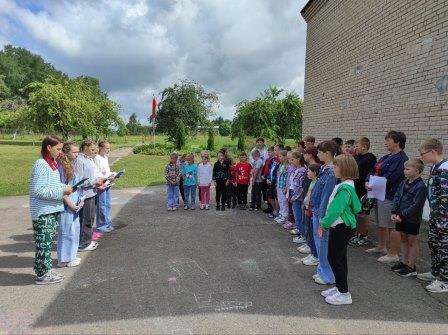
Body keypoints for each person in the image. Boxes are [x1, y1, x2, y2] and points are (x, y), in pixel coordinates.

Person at [29, 135, 73, 284]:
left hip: (51, 209)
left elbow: (53, 186)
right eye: (58, 149)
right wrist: (62, 192)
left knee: (47, 244)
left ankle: (46, 269)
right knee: (43, 244)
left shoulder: (52, 164)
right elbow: (38, 190)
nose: (60, 152)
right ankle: (42, 274)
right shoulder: (41, 164)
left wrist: (65, 188)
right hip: (43, 211)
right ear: (49, 148)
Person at [319, 154, 361, 305]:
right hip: (340, 227)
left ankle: (344, 293)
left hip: (341, 227)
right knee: (339, 258)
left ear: (344, 168)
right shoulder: (345, 184)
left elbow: (335, 211)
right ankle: (340, 287)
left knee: (335, 259)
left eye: (336, 166)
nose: (333, 169)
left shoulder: (345, 188)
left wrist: (323, 223)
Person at [365, 131, 408, 264]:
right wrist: (367, 181)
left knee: (391, 225)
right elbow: (373, 170)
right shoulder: (386, 157)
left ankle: (393, 253)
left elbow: (391, 177)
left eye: (388, 140)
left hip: (390, 195)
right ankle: (381, 247)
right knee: (381, 223)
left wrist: (372, 183)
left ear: (397, 142)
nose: (385, 143)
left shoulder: (402, 159)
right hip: (378, 193)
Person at [417, 139, 448, 293]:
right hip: (436, 217)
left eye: (423, 154)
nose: (421, 157)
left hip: (444, 219)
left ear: (433, 151)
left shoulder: (444, 169)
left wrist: (443, 221)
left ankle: (445, 281)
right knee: (435, 245)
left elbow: (445, 198)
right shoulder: (435, 167)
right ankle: (436, 273)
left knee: (444, 249)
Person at [390, 159, 427, 277]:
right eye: (404, 168)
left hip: (411, 219)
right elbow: (397, 197)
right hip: (400, 217)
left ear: (416, 171)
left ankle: (411, 266)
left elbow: (416, 205)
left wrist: (402, 215)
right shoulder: (403, 182)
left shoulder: (421, 186)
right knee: (403, 239)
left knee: (411, 241)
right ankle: (404, 262)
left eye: (407, 169)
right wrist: (395, 212)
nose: (404, 171)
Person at [311, 140, 339, 284]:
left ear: (327, 153)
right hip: (316, 211)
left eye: (320, 152)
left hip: (321, 214)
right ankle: (321, 270)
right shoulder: (324, 168)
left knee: (323, 245)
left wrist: (322, 217)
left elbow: (326, 197)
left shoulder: (331, 173)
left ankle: (328, 276)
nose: (317, 154)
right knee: (319, 243)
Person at [75, 139, 105, 252]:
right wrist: (94, 182)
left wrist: (98, 181)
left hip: (91, 192)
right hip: (85, 195)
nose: (94, 151)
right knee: (85, 219)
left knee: (90, 218)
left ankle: (87, 240)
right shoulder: (79, 160)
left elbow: (90, 176)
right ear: (85, 147)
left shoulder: (87, 159)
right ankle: (83, 243)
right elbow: (80, 180)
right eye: (92, 149)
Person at [56, 141, 82, 268]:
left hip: (75, 202)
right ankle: (64, 259)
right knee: (66, 231)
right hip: (67, 205)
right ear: (66, 152)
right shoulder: (61, 167)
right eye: (74, 152)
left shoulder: (72, 164)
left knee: (74, 230)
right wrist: (70, 203)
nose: (77, 154)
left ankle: (71, 255)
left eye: (77, 152)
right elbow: (61, 189)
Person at [349, 137, 377, 246]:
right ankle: (357, 233)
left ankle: (363, 235)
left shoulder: (369, 159)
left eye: (357, 146)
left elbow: (365, 174)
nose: (355, 148)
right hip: (355, 188)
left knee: (363, 214)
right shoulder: (358, 158)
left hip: (363, 190)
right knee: (358, 213)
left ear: (364, 147)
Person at [300, 163, 321, 265]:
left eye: (309, 171)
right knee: (310, 231)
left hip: (312, 211)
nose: (307, 173)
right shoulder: (312, 182)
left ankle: (316, 255)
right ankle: (313, 252)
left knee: (313, 234)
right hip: (308, 209)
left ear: (315, 173)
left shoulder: (317, 183)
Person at [94, 141, 115, 233]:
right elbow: (96, 173)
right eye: (107, 148)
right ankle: (101, 225)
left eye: (109, 148)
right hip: (101, 184)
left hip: (107, 183)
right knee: (101, 206)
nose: (108, 150)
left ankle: (108, 223)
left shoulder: (105, 157)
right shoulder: (97, 158)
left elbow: (106, 170)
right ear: (101, 148)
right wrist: (105, 177)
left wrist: (112, 175)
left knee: (108, 204)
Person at [289, 152, 307, 242]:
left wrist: (295, 197)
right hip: (294, 195)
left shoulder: (302, 171)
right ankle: (301, 233)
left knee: (299, 217)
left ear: (298, 159)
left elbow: (301, 187)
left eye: (293, 159)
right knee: (297, 216)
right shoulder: (296, 169)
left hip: (298, 197)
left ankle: (303, 236)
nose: (291, 161)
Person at [283, 151, 296, 230]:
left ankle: (292, 222)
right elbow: (288, 178)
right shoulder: (290, 167)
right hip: (288, 188)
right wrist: (286, 187)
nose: (289, 160)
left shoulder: (295, 168)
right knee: (289, 204)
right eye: (288, 158)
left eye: (291, 159)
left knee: (292, 206)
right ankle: (290, 220)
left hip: (293, 189)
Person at [275, 150, 289, 224]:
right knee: (280, 200)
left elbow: (287, 178)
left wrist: (286, 187)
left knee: (284, 201)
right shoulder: (280, 165)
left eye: (280, 156)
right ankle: (281, 214)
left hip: (283, 186)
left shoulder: (287, 166)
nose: (278, 157)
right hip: (279, 185)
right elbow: (278, 175)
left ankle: (284, 216)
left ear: (285, 157)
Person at [262, 146, 276, 214]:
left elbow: (271, 170)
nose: (268, 153)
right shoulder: (267, 160)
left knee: (271, 195)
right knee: (266, 194)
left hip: (270, 179)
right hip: (266, 178)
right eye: (268, 152)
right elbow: (265, 169)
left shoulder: (274, 160)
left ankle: (272, 209)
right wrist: (264, 175)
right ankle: (269, 207)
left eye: (270, 152)